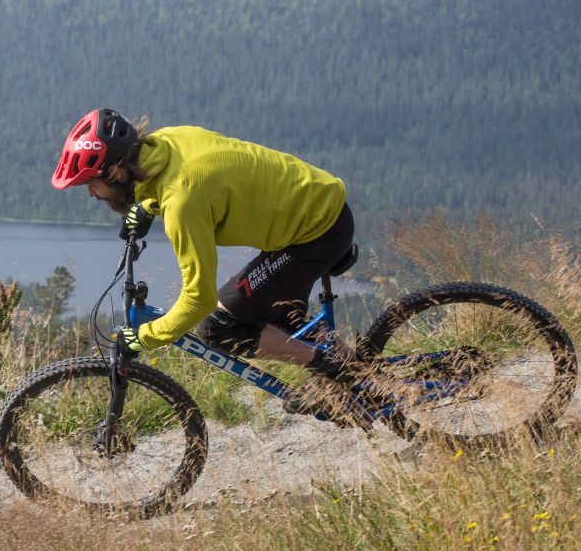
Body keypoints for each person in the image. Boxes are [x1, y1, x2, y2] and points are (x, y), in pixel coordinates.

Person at [51, 108, 359, 417]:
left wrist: (146, 337)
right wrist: (148, 205)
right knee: (269, 315)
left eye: (89, 183)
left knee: (218, 328)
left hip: (315, 233)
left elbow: (199, 298)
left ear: (115, 173)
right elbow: (197, 181)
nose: (90, 194)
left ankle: (334, 371)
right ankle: (357, 371)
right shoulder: (167, 141)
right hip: (317, 204)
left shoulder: (182, 203)